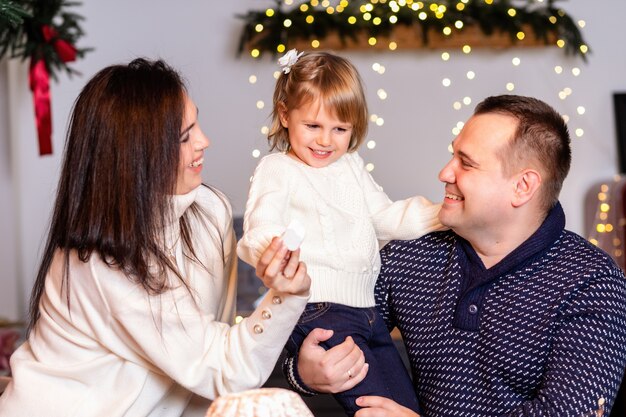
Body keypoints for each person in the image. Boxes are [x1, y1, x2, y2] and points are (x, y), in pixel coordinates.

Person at [0, 58, 311, 417]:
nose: (204, 142)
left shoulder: (210, 210)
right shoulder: (103, 262)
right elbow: (227, 371)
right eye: (184, 136)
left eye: (197, 123)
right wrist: (287, 296)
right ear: (138, 156)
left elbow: (205, 374)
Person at [285, 95, 626, 417]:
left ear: (523, 186)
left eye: (466, 163)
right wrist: (303, 373)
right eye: (453, 156)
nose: (445, 173)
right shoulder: (411, 253)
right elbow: (331, 318)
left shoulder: (591, 282)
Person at [237, 49, 445, 416]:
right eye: (313, 126)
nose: (325, 141)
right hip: (320, 310)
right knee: (373, 408)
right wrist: (273, 251)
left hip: (368, 312)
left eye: (340, 129)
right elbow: (260, 225)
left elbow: (384, 216)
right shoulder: (278, 169)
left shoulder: (350, 166)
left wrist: (441, 214)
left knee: (404, 406)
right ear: (285, 115)